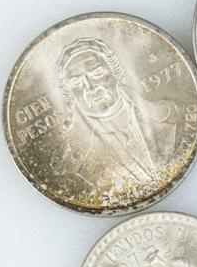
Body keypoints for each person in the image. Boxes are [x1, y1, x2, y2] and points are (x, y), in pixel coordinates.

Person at [56, 37, 174, 189]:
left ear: (115, 73)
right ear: (71, 95)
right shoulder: (80, 158)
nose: (91, 87)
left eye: (97, 73)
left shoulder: (165, 114)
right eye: (77, 83)